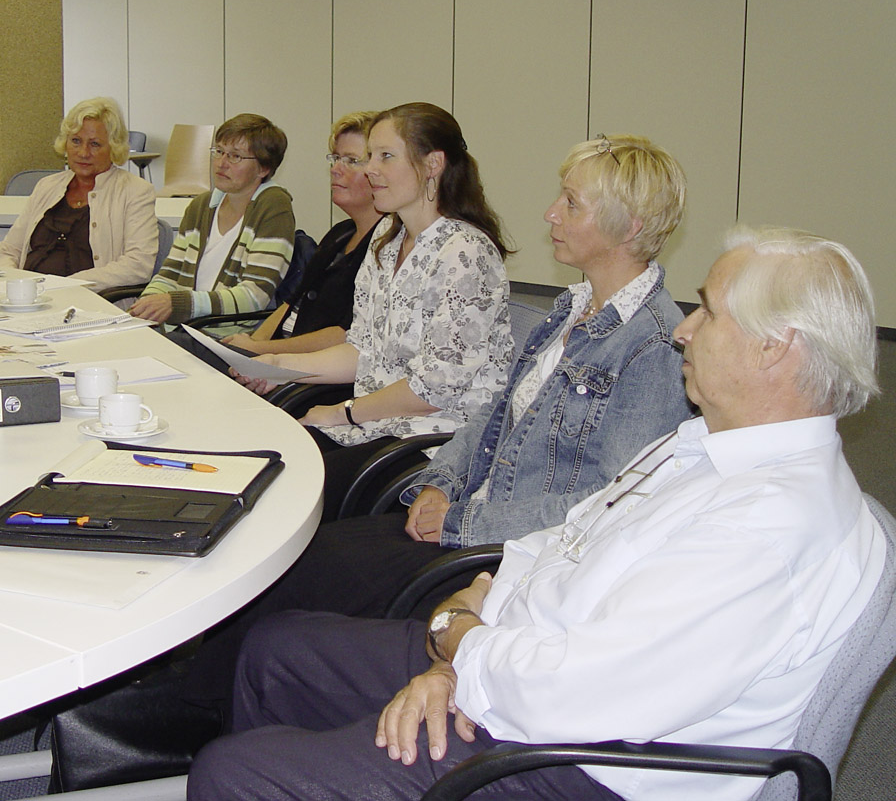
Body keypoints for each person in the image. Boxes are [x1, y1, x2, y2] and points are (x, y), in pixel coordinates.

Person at [189, 225, 886, 801]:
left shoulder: (770, 527)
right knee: (275, 651)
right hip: (513, 664)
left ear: (773, 347)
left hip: (581, 762)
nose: (684, 330)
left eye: (707, 312)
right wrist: (457, 645)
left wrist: (460, 645)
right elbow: (558, 544)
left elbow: (579, 696)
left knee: (235, 775)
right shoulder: (701, 446)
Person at [181, 133, 695, 710]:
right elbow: (494, 415)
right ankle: (196, 698)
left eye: (571, 204)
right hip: (468, 513)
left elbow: (607, 504)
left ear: (629, 227)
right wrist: (440, 483)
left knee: (300, 578)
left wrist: (461, 521)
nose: (551, 213)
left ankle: (190, 712)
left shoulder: (653, 346)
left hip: (507, 555)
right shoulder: (572, 307)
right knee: (298, 559)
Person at [245, 102, 512, 521]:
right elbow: (363, 349)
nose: (370, 169)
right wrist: (278, 365)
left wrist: (343, 412)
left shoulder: (465, 253)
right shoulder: (387, 240)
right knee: (262, 459)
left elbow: (433, 391)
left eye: (386, 156)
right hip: (376, 424)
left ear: (433, 165)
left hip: (436, 442)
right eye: (370, 156)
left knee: (282, 491)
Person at [222, 111, 384, 359]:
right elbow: (289, 304)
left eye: (351, 160)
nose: (335, 170)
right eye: (335, 158)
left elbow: (348, 334)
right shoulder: (340, 233)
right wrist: (250, 347)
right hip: (277, 358)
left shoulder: (386, 247)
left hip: (311, 371)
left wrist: (261, 351)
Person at [128, 114, 295, 332]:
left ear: (263, 169)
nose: (221, 163)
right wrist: (147, 305)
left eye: (235, 156)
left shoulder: (273, 206)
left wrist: (177, 304)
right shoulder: (201, 206)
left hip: (224, 336)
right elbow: (169, 274)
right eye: (219, 151)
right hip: (184, 330)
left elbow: (255, 296)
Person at [0, 97, 158, 289]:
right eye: (76, 141)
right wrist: (13, 282)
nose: (83, 152)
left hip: (90, 299)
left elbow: (138, 265)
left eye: (95, 144)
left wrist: (65, 286)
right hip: (31, 296)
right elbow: (8, 250)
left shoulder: (135, 192)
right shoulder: (47, 186)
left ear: (113, 147)